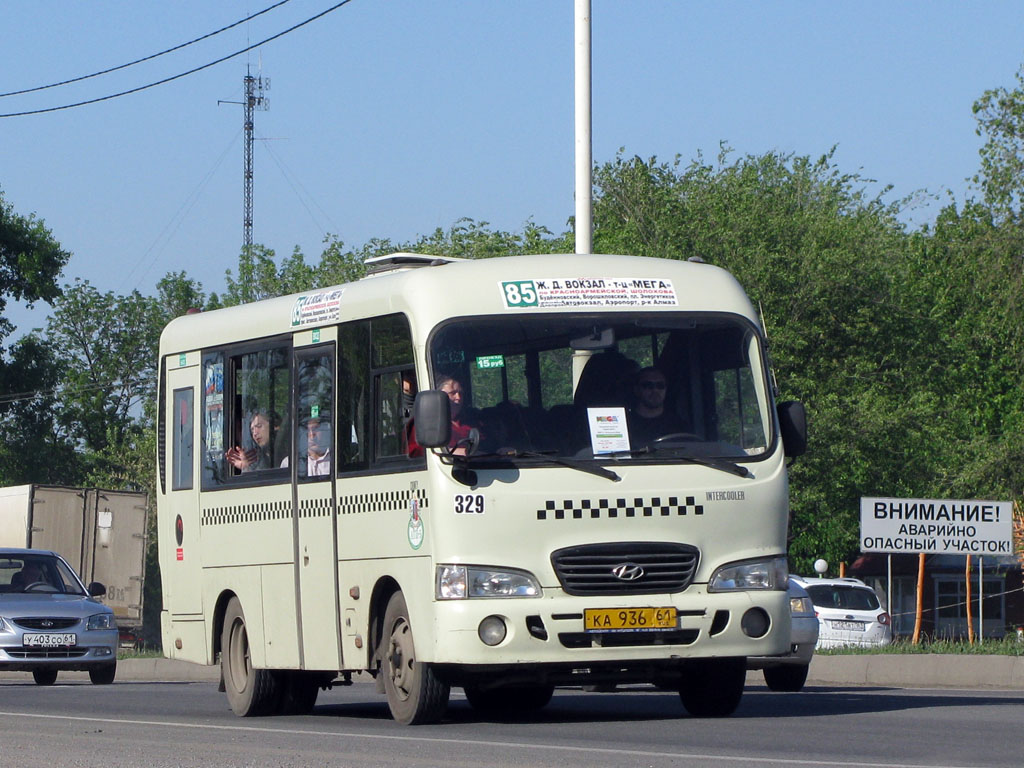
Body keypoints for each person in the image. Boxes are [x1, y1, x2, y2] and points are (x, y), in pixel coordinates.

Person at [407, 374, 484, 456]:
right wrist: (449, 452)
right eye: (452, 393)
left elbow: (484, 444)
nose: (458, 397)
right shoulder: (423, 424)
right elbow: (417, 453)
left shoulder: (471, 420)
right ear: (438, 397)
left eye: (461, 393)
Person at [627, 366, 689, 448]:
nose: (655, 390)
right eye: (648, 385)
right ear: (637, 389)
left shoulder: (680, 426)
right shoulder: (626, 425)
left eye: (660, 385)